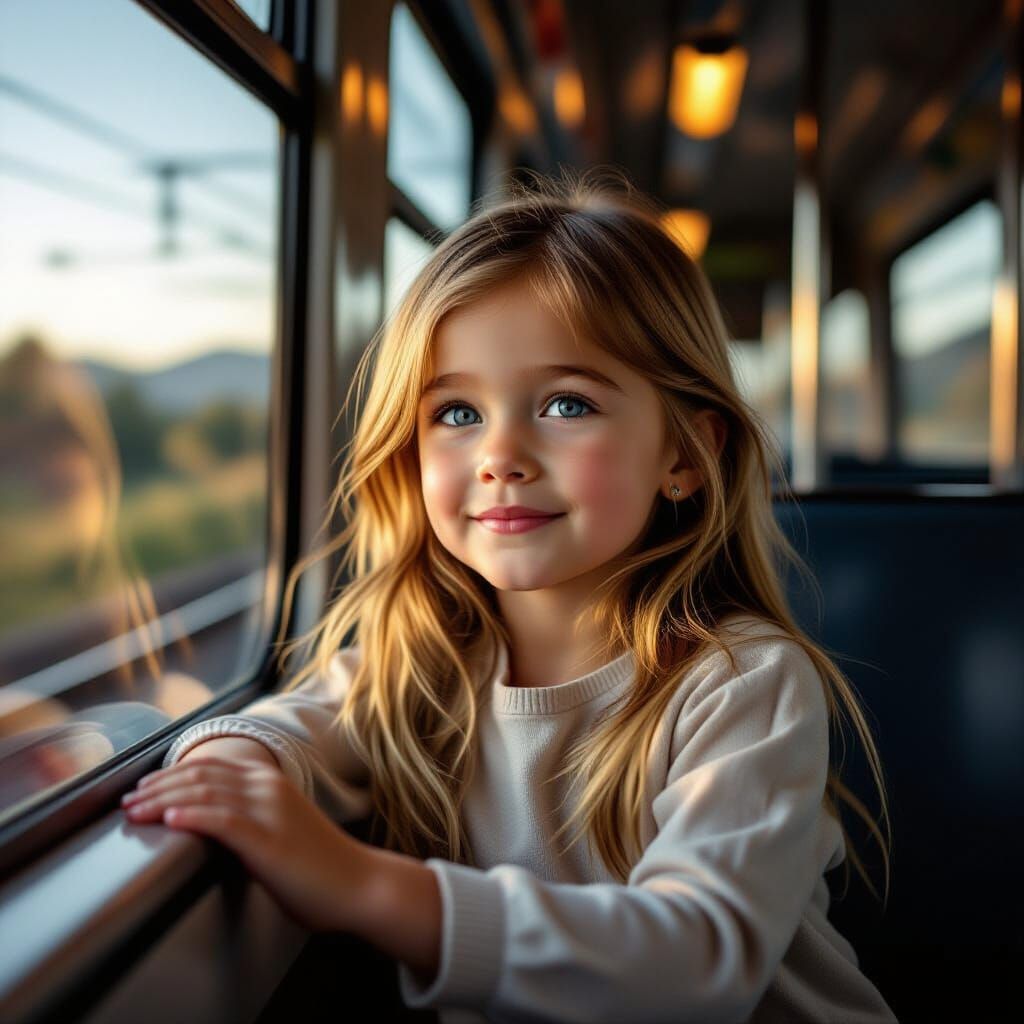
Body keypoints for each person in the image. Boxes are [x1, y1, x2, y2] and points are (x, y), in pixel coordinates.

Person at [121, 171, 898, 1023]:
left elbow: (695, 964)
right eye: (457, 414)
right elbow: (282, 728)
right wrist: (229, 766)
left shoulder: (743, 683)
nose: (500, 457)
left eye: (566, 404)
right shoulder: (418, 667)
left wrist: (359, 884)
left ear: (684, 454)